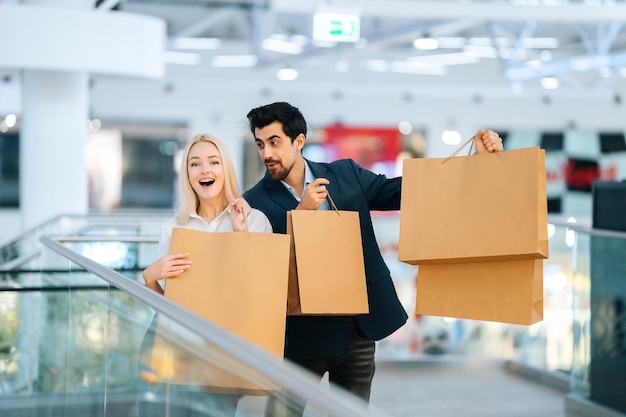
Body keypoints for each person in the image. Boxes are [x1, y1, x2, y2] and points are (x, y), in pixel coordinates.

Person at [242, 101, 504, 416]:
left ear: (298, 141)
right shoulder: (254, 201)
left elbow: (407, 191)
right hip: (300, 334)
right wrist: (301, 214)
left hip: (357, 329)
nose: (267, 153)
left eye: (274, 142)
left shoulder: (346, 174)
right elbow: (263, 268)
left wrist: (473, 161)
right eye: (260, 144)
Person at [140, 133, 272, 417]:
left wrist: (240, 231)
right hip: (178, 346)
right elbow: (166, 308)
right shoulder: (173, 228)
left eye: (214, 162)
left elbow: (261, 290)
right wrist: (150, 278)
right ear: (187, 174)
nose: (205, 170)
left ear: (226, 170)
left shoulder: (254, 221)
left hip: (225, 348)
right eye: (195, 164)